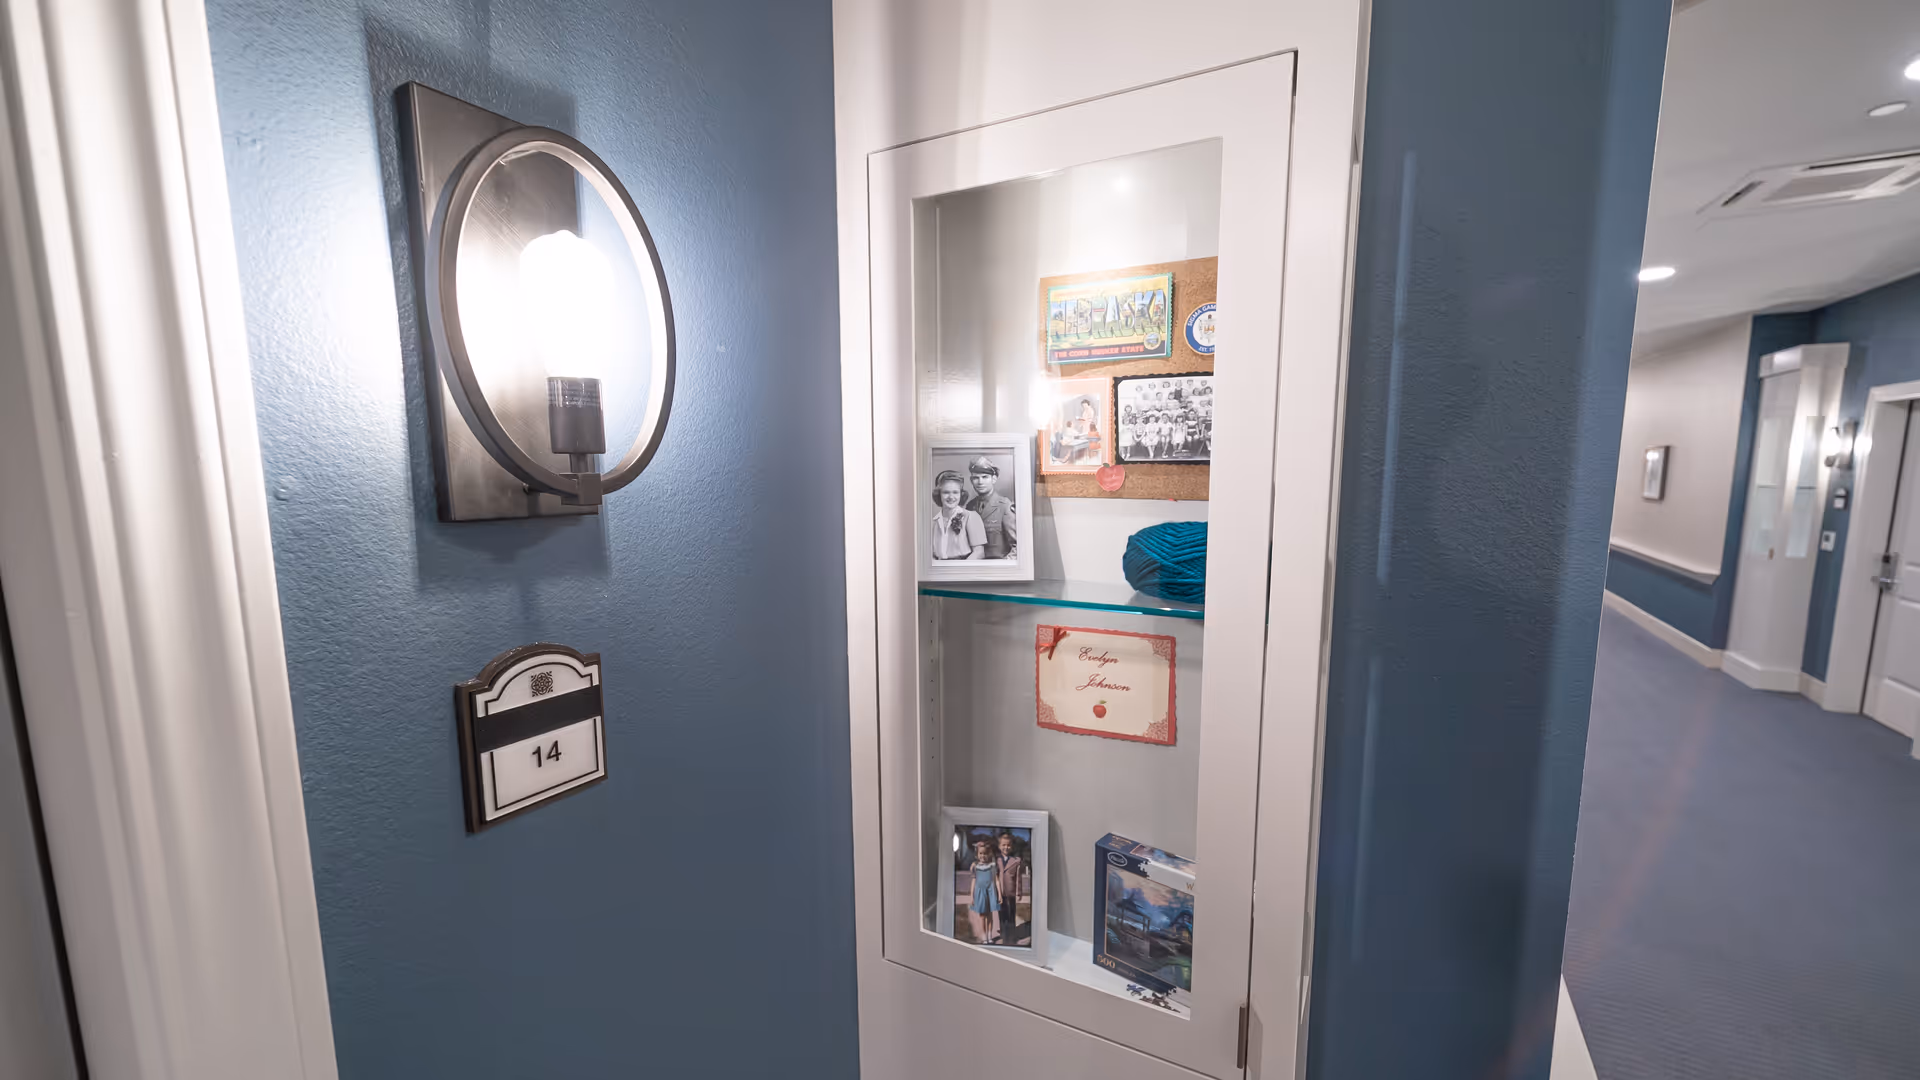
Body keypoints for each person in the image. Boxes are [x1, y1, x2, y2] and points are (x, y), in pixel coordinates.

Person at [965, 457, 1018, 559]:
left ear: (993, 479)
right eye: (976, 478)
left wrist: (1002, 566)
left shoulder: (1005, 506)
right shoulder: (970, 506)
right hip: (974, 568)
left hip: (998, 569)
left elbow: (1018, 546)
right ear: (971, 480)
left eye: (985, 477)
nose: (980, 482)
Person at [930, 470, 985, 560]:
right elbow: (930, 556)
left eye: (955, 492)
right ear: (938, 494)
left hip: (964, 570)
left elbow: (979, 553)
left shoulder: (971, 517)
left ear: (961, 494)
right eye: (946, 492)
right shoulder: (933, 522)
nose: (951, 497)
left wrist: (960, 571)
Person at [966, 838, 999, 945]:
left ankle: (990, 935)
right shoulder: (975, 867)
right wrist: (971, 896)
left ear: (988, 854)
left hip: (990, 892)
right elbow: (973, 881)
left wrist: (999, 894)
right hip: (980, 892)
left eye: (985, 854)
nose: (983, 856)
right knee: (982, 916)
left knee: (990, 915)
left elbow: (996, 880)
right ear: (977, 855)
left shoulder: (992, 866)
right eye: (980, 854)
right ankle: (984, 936)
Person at [993, 832, 1024, 946]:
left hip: (1010, 893)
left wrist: (1018, 892)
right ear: (999, 846)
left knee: (1011, 915)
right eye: (1003, 845)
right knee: (1001, 915)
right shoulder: (997, 861)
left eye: (1008, 845)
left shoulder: (1015, 861)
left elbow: (1018, 878)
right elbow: (994, 877)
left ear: (1012, 847)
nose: (1006, 847)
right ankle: (1003, 935)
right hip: (1000, 893)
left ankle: (1011, 936)